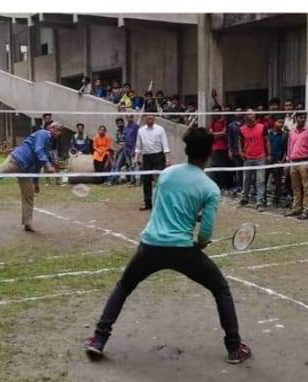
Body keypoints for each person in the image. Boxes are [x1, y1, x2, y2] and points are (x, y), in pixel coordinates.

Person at [86, 124, 250, 366]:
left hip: (150, 245)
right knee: (220, 289)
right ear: (209, 153)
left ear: (186, 149)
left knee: (124, 286)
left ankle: (98, 340)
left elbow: (164, 206)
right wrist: (201, 243)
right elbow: (205, 231)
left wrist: (187, 217)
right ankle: (234, 348)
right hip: (183, 250)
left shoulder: (167, 174)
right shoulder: (210, 188)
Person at [0, 118, 62, 231]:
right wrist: (48, 165)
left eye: (60, 131)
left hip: (26, 169)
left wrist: (36, 182)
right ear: (50, 128)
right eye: (57, 130)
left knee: (29, 194)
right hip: (16, 160)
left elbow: (37, 164)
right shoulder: (43, 134)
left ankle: (27, 223)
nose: (59, 133)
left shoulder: (48, 144)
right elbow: (38, 150)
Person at [135, 110, 170, 210]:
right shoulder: (140, 130)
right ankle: (147, 203)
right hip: (146, 157)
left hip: (159, 156)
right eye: (147, 116)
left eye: (152, 116)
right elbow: (138, 146)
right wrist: (137, 157)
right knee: (146, 180)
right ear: (144, 118)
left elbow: (165, 144)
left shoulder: (160, 129)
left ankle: (161, 203)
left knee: (161, 180)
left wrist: (167, 158)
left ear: (155, 117)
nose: (150, 118)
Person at [287, 109, 308, 217]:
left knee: (306, 187)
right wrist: (288, 160)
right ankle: (296, 208)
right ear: (296, 118)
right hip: (293, 162)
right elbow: (289, 147)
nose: (302, 119)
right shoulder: (292, 131)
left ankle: (307, 209)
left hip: (304, 161)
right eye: (300, 117)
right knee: (295, 187)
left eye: (304, 117)